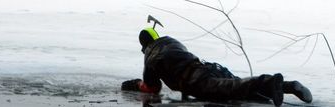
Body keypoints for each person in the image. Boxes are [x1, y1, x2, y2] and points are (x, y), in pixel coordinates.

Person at [121, 27, 313, 107]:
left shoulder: (151, 56)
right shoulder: (172, 41)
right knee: (238, 88)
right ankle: (287, 86)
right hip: (208, 67)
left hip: (196, 81)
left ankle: (271, 82)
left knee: (233, 89)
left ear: (144, 45)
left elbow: (152, 87)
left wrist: (135, 84)